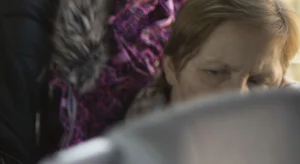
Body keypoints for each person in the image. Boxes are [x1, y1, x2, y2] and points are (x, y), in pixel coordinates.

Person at [126, 0, 300, 118]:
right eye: (215, 72)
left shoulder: (285, 116)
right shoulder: (145, 125)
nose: (238, 95)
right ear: (171, 68)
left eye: (257, 80)